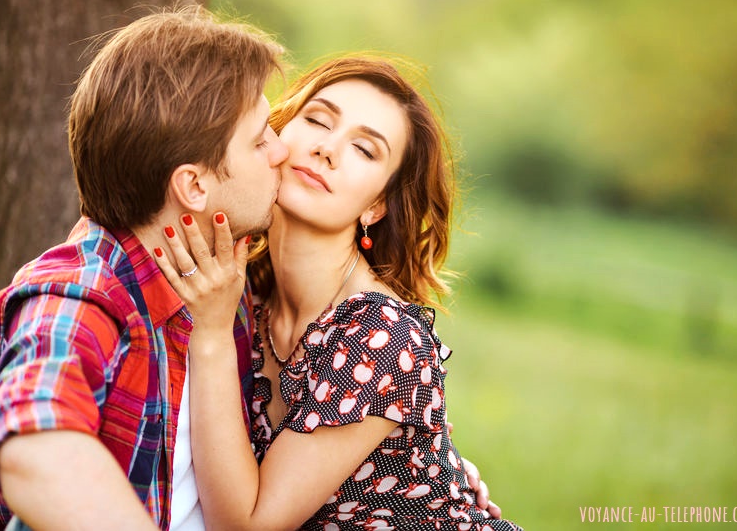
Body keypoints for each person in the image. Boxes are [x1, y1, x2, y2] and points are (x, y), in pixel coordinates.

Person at [155, 56, 523, 530]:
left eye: (364, 150)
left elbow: (245, 526)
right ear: (274, 135)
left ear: (377, 205)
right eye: (317, 120)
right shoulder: (243, 294)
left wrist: (211, 333)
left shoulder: (383, 336)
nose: (327, 149)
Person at [0, 5, 287, 530]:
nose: (282, 150)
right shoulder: (80, 295)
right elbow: (35, 446)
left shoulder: (222, 276)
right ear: (194, 187)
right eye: (260, 139)